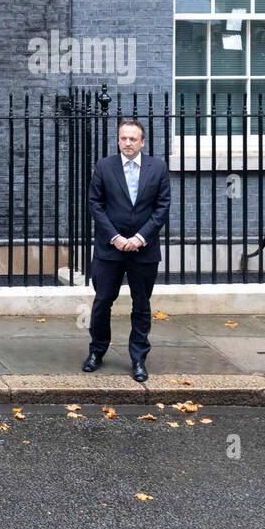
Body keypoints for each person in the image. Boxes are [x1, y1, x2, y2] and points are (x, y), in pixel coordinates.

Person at [82, 118, 171, 383]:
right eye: (123, 138)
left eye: (133, 139)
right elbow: (95, 204)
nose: (128, 143)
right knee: (102, 302)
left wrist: (141, 237)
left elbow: (162, 207)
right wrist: (116, 237)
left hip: (143, 250)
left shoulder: (158, 168)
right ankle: (97, 351)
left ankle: (138, 358)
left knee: (141, 305)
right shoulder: (104, 166)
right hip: (110, 248)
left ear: (142, 142)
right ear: (118, 140)